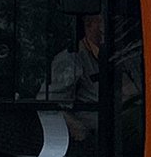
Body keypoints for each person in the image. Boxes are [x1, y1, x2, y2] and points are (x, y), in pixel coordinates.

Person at [39, 13, 103, 143]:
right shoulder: (71, 59)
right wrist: (76, 127)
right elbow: (47, 104)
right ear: (89, 24)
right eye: (103, 22)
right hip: (101, 135)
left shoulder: (123, 55)